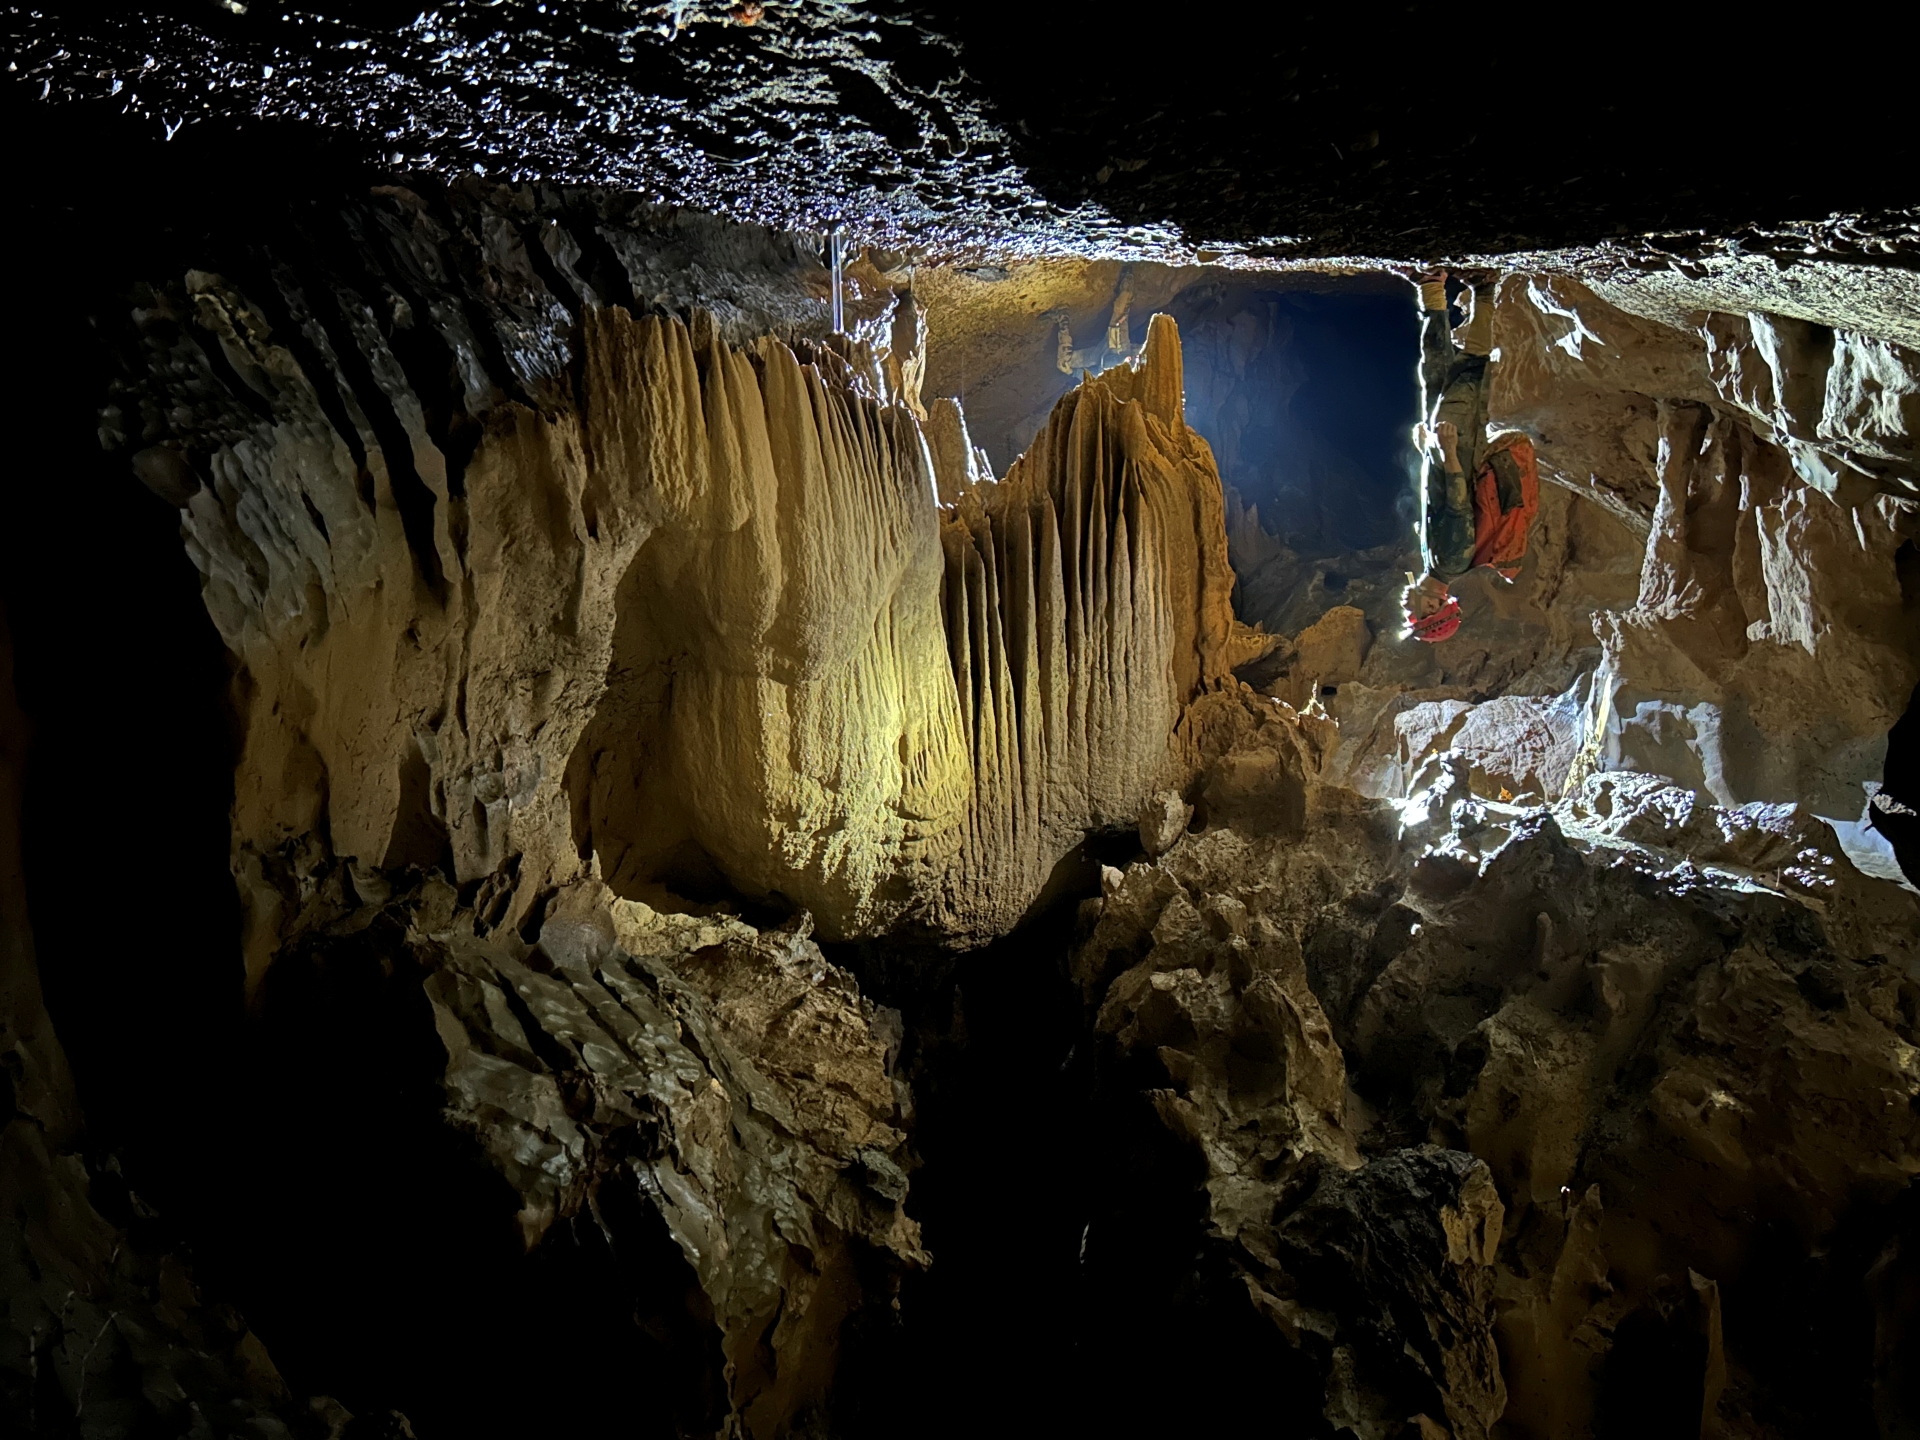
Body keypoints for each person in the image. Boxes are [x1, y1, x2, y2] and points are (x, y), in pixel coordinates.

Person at [1404, 270, 1540, 643]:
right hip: (1458, 447)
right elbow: (1458, 506)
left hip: (1444, 449)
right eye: (1415, 616)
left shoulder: (1434, 562)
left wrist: (1425, 450)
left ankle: (1431, 287)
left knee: (1433, 370)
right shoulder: (1450, 561)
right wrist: (1447, 450)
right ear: (1433, 607)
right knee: (1469, 372)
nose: (1408, 610)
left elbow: (1432, 499)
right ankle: (1484, 288)